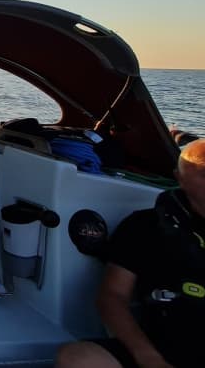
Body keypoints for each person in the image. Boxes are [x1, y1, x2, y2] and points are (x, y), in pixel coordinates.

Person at [56, 139, 205, 368]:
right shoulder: (144, 226)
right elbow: (112, 297)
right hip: (161, 349)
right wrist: (149, 358)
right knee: (78, 358)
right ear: (180, 178)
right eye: (203, 174)